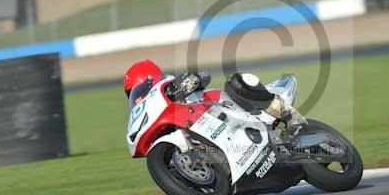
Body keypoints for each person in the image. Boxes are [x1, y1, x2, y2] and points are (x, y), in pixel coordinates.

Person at [123, 60, 306, 128]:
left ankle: (291, 117)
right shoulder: (158, 116)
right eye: (133, 96)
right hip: (212, 131)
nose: (138, 99)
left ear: (150, 80)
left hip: (228, 109)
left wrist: (191, 81)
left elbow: (204, 75)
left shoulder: (172, 85)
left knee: (238, 81)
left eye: (137, 93)